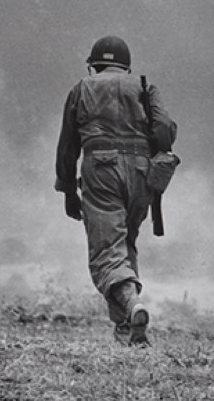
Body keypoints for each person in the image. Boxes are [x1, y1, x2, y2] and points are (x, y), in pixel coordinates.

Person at [55, 35, 177, 346]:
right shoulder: (145, 86)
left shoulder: (81, 88)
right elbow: (164, 132)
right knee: (125, 245)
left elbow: (68, 146)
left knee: (107, 252)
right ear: (126, 65)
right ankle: (127, 331)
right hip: (140, 173)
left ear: (94, 65)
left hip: (101, 169)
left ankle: (133, 306)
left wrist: (69, 190)